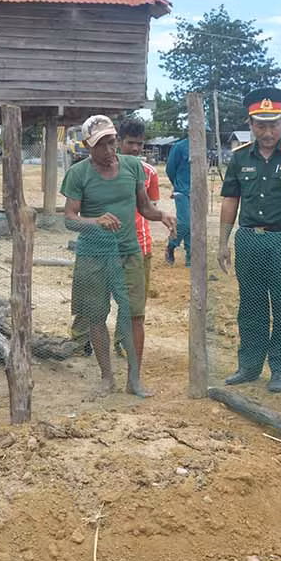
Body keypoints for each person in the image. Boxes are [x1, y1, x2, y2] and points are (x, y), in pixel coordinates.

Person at [61, 115, 176, 397]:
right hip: (93, 255)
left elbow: (145, 207)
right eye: (102, 145)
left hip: (128, 253)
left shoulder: (133, 167)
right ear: (89, 146)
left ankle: (133, 380)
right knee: (97, 317)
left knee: (135, 316)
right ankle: (106, 378)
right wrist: (95, 221)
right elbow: (69, 219)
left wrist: (161, 215)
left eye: (113, 143)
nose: (110, 150)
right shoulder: (78, 174)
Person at [218, 87, 281, 393]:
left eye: (273, 124)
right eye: (260, 125)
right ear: (250, 124)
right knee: (250, 304)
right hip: (248, 240)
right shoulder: (239, 158)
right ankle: (249, 366)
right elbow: (229, 201)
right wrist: (223, 242)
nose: (267, 131)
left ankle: (280, 369)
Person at [113, 117, 159, 358]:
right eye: (130, 142)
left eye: (139, 144)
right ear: (118, 141)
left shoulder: (149, 172)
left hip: (141, 246)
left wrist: (164, 217)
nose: (135, 148)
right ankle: (83, 342)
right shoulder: (104, 169)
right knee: (100, 300)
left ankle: (124, 342)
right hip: (109, 247)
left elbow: (150, 207)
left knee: (135, 303)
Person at [165, 137, 191, 267]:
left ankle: (191, 257)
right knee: (185, 222)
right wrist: (177, 184)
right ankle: (171, 245)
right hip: (182, 190)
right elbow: (170, 169)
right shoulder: (180, 147)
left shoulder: (203, 148)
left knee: (195, 225)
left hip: (197, 192)